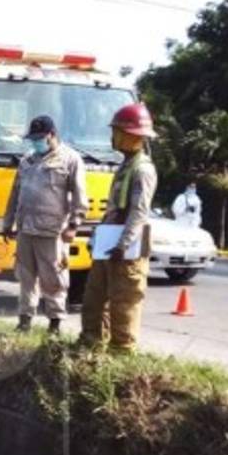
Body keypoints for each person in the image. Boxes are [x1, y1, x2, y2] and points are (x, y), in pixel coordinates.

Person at [79, 103, 159, 352]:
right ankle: (91, 344)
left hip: (126, 248)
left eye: (117, 132)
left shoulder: (142, 170)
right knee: (94, 299)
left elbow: (138, 212)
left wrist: (122, 245)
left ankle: (121, 353)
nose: (112, 137)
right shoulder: (125, 166)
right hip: (109, 243)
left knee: (123, 303)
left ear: (131, 136)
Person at [2, 115, 87, 334]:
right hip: (25, 229)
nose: (36, 142)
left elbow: (80, 196)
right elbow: (15, 193)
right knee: (25, 277)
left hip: (52, 232)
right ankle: (24, 320)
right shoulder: (27, 160)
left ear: (52, 135)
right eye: (33, 138)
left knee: (54, 279)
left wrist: (73, 226)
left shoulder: (70, 159)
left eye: (40, 138)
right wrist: (8, 222)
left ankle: (55, 323)